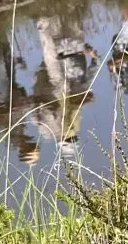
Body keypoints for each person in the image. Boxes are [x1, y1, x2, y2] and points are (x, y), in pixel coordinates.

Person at [33, 16, 96, 167]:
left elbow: (38, 111)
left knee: (51, 53)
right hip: (59, 85)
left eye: (69, 140)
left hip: (54, 86)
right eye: (72, 139)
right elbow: (73, 107)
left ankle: (44, 22)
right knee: (52, 53)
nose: (70, 137)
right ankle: (50, 19)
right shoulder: (69, 126)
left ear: (61, 141)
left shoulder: (48, 131)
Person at [0, 34, 42, 163]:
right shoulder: (21, 130)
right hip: (10, 92)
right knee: (7, 59)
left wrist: (19, 106)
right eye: (32, 144)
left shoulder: (6, 138)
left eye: (29, 146)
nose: (30, 141)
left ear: (23, 150)